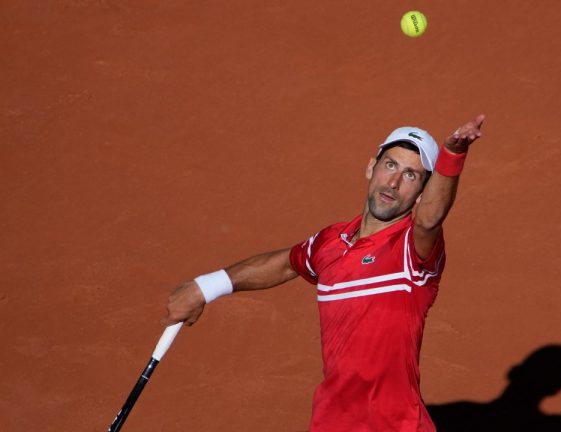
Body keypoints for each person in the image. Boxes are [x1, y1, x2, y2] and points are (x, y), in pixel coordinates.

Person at [162, 114, 486, 431]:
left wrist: (453, 154)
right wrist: (205, 287)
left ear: (421, 192)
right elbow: (287, 263)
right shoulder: (331, 242)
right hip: (332, 421)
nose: (394, 183)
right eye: (390, 165)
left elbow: (430, 220)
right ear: (371, 167)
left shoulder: (412, 251)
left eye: (411, 176)